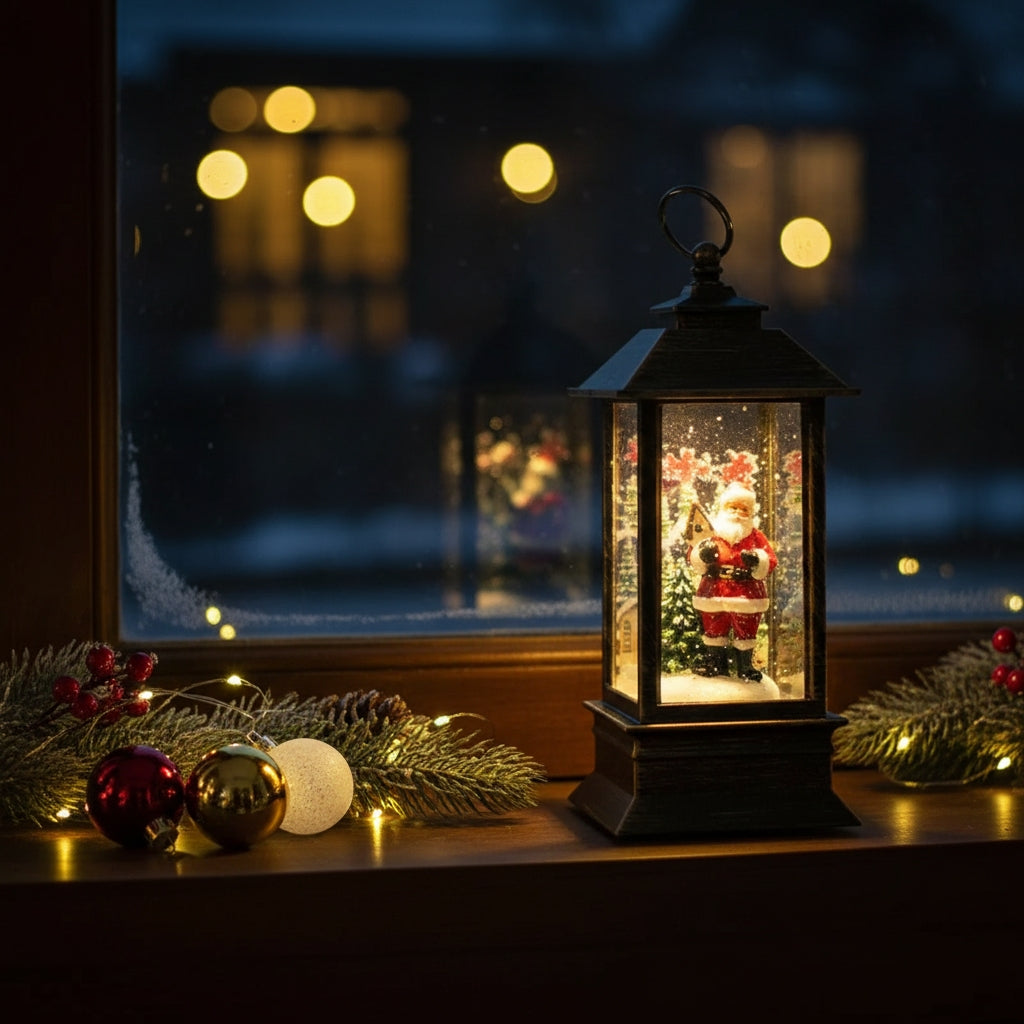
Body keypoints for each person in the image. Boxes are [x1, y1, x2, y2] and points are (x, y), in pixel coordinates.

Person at [686, 482, 777, 681]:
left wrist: (757, 559)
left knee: (746, 630)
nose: (737, 513)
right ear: (724, 508)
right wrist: (702, 555)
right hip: (714, 591)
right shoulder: (712, 534)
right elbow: (692, 554)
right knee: (714, 628)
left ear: (751, 512)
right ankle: (716, 664)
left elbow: (770, 560)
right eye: (733, 507)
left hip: (746, 593)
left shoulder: (755, 536)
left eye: (744, 509)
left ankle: (745, 667)